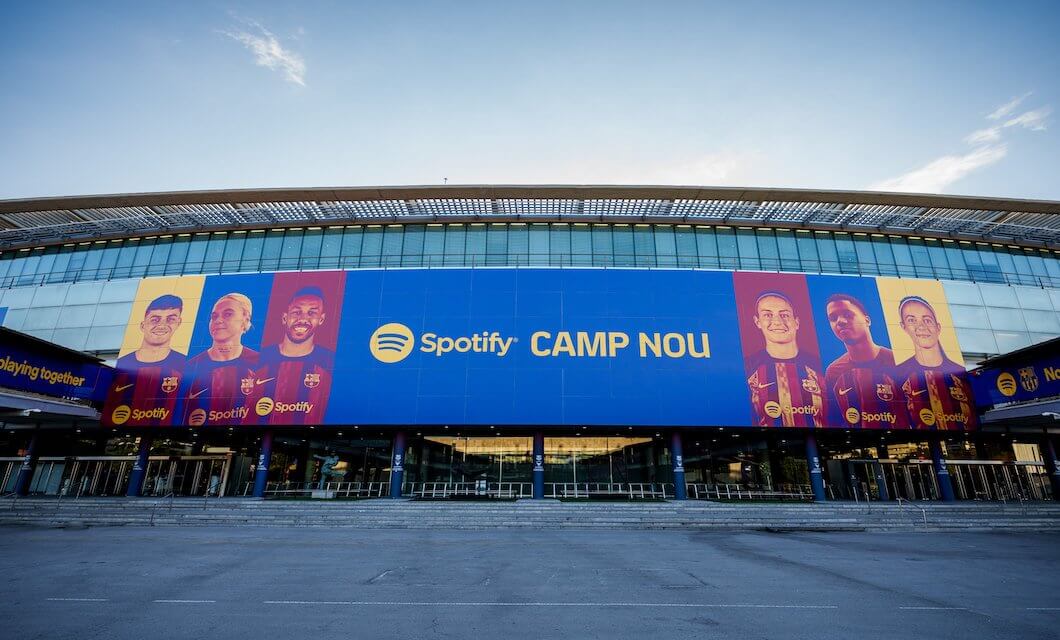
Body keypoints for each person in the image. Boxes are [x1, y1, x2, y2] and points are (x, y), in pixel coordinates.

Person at [243, 286, 335, 425]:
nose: (303, 319)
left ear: (321, 319)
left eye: (311, 313)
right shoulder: (258, 360)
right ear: (285, 317)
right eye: (297, 312)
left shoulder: (330, 362)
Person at [822, 293, 908, 429]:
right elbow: (834, 418)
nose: (840, 321)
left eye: (848, 315)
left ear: (867, 320)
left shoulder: (897, 361)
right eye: (833, 318)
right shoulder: (833, 371)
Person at [744, 291, 826, 427]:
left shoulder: (820, 366)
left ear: (797, 322)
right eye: (768, 315)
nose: (777, 322)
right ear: (757, 322)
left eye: (784, 315)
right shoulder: (747, 367)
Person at [893, 296, 975, 430]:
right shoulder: (899, 374)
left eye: (927, 320)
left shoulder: (959, 373)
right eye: (911, 320)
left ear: (938, 327)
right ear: (904, 327)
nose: (921, 326)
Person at [103, 294, 186, 427]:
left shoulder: (186, 365)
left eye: (170, 319)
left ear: (179, 323)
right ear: (143, 325)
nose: (162, 325)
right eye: (155, 319)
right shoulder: (122, 364)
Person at [181, 293, 260, 426]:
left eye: (228, 314)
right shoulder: (191, 367)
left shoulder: (260, 363)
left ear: (245, 321)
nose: (218, 320)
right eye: (214, 316)